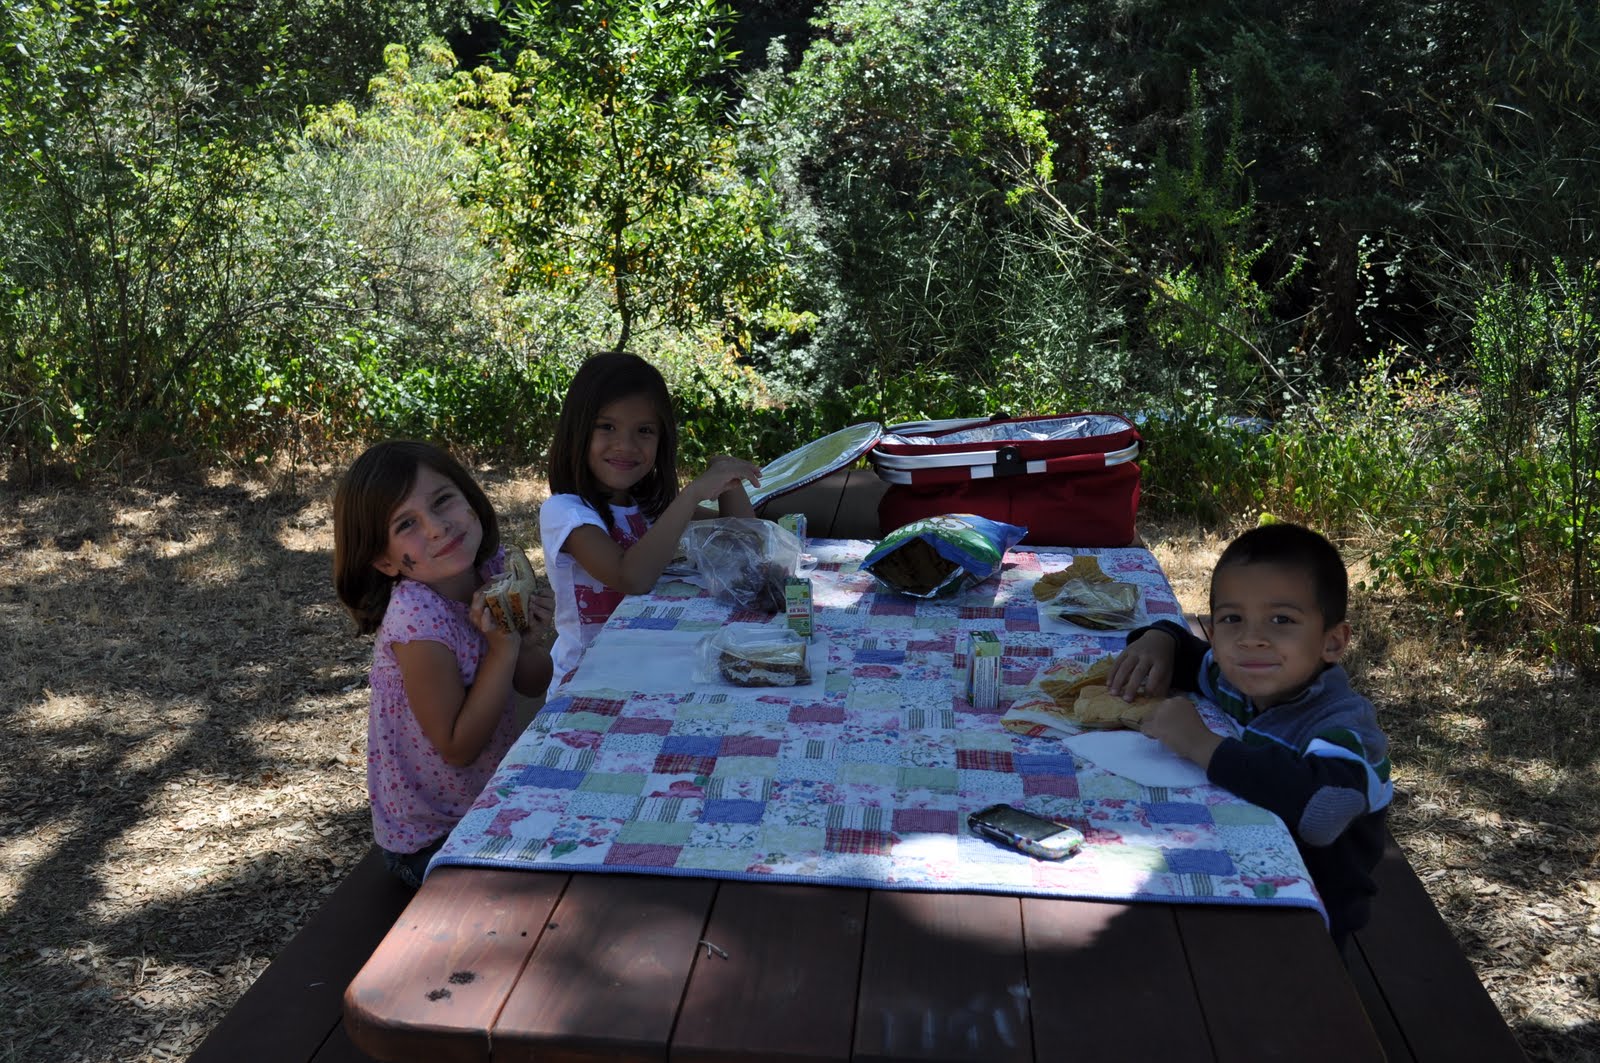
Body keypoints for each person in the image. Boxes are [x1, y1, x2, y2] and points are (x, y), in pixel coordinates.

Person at [1108, 522, 1392, 947]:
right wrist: (1159, 639)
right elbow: (1190, 656)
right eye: (1232, 619)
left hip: (1308, 916)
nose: (1251, 639)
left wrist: (1201, 744)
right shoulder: (1235, 681)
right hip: (1231, 870)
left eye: (1282, 619)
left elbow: (1323, 811)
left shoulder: (1342, 725)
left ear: (1332, 642)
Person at [333, 440, 554, 888]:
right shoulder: (417, 622)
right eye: (407, 523)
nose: (436, 528)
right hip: (432, 840)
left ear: (471, 499)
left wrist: (531, 639)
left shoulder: (495, 569)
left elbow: (533, 684)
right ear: (384, 560)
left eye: (443, 500)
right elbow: (457, 746)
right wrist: (503, 648)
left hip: (488, 803)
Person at [540, 351, 761, 680]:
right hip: (586, 682)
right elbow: (632, 577)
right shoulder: (566, 513)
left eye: (644, 430)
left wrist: (728, 480)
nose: (625, 445)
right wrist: (692, 493)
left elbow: (743, 544)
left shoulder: (648, 509)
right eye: (607, 427)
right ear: (577, 431)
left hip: (651, 669)